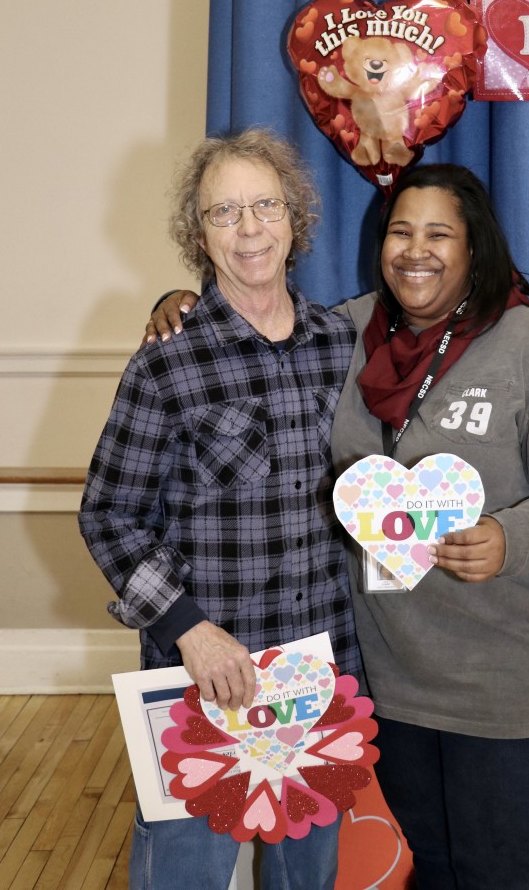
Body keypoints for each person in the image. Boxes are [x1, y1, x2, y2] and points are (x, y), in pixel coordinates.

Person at [149, 162, 529, 890]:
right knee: (437, 870)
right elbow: (257, 327)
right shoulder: (345, 334)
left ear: (476, 248)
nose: (416, 250)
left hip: (515, 684)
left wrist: (512, 538)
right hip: (400, 684)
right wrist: (180, 303)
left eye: (440, 233)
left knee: (505, 875)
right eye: (400, 232)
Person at [79, 129, 361, 890]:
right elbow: (108, 515)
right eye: (223, 213)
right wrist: (189, 632)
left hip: (319, 677)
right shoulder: (168, 361)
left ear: (295, 216)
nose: (248, 230)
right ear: (197, 234)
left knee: (308, 877)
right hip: (204, 679)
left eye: (265, 206)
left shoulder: (343, 344)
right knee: (184, 878)